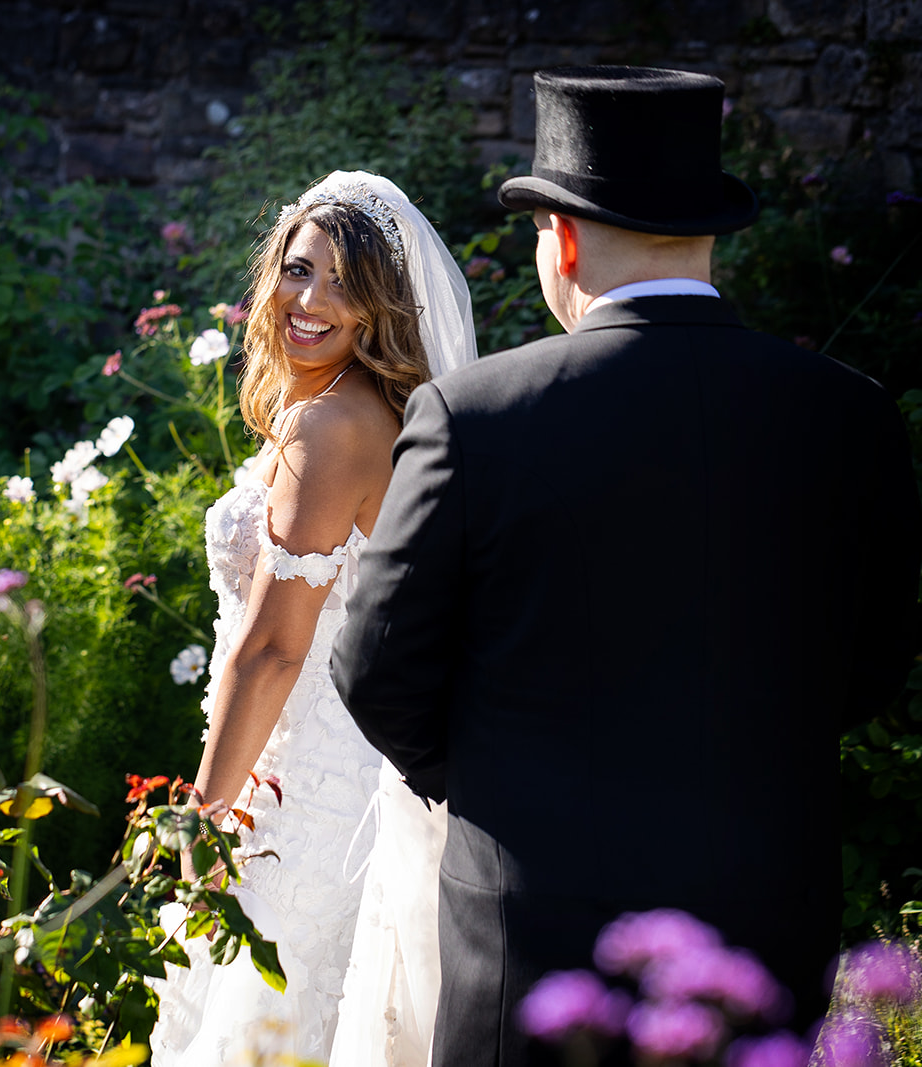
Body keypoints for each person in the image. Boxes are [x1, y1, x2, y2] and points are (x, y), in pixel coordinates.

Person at [331, 66, 922, 1066]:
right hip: (763, 900)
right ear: (705, 234)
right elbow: (871, 660)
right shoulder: (847, 412)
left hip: (530, 916)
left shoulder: (474, 416)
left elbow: (376, 661)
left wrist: (491, 781)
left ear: (558, 237)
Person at [148, 170, 477, 1067]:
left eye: (344, 283)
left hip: (301, 795)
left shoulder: (328, 427)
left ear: (381, 307)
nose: (311, 299)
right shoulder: (377, 411)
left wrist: (204, 813)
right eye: (299, 270)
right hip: (329, 770)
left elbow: (274, 648)